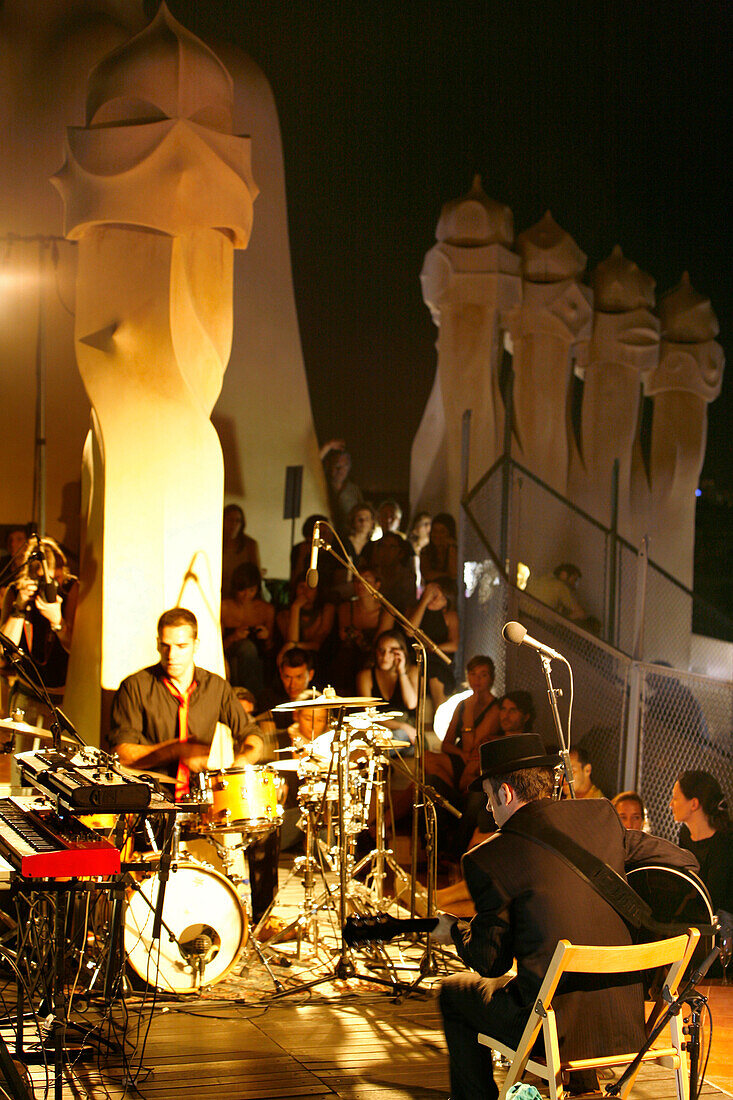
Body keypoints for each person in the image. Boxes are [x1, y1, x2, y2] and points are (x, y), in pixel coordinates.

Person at [434, 734, 700, 1100]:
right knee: (560, 975)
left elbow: (490, 963)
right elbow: (686, 861)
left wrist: (456, 932)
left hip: (552, 1031)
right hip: (629, 1026)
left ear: (507, 794)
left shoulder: (488, 856)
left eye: (490, 798)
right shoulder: (601, 817)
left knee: (454, 991)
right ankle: (580, 1089)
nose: (490, 811)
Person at [109, 607, 263, 799]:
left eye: (181, 646)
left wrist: (241, 762)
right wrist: (177, 750)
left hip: (201, 799)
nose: (171, 655)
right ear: (157, 644)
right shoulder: (135, 687)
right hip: (149, 799)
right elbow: (121, 753)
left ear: (196, 645)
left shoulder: (215, 687)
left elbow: (252, 734)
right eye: (165, 645)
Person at [0, 535, 79, 722]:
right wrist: (19, 609)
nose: (49, 585)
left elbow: (76, 651)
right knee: (20, 752)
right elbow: (4, 651)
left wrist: (57, 621)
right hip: (27, 693)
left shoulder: (70, 589)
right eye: (43, 580)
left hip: (62, 698)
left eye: (55, 579)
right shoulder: (15, 591)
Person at [671, 770, 733, 917]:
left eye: (676, 798)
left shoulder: (725, 843)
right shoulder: (685, 834)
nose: (670, 804)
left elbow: (714, 899)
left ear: (694, 804)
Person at [221, 562, 275, 694]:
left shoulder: (265, 609)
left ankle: (255, 696)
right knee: (246, 647)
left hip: (258, 661)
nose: (246, 595)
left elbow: (270, 648)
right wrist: (234, 637)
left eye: (251, 590)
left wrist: (266, 636)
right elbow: (218, 647)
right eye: (242, 590)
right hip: (231, 655)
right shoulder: (225, 607)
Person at [409, 578, 458, 710]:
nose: (435, 600)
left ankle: (440, 717)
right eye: (433, 595)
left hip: (439, 661)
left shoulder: (450, 616)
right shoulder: (415, 611)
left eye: (441, 598)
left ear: (447, 602)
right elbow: (409, 631)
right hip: (417, 660)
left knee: (435, 675)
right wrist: (424, 601)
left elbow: (454, 645)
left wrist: (432, 649)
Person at [221, 503, 261, 598]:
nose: (234, 524)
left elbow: (256, 575)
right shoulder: (215, 541)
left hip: (243, 594)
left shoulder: (250, 544)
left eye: (237, 521)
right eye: (230, 520)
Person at [419, 512, 457, 584]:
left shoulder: (456, 550)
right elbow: (427, 574)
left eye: (442, 532)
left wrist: (452, 548)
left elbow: (454, 574)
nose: (437, 535)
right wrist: (446, 575)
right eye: (435, 531)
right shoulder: (426, 551)